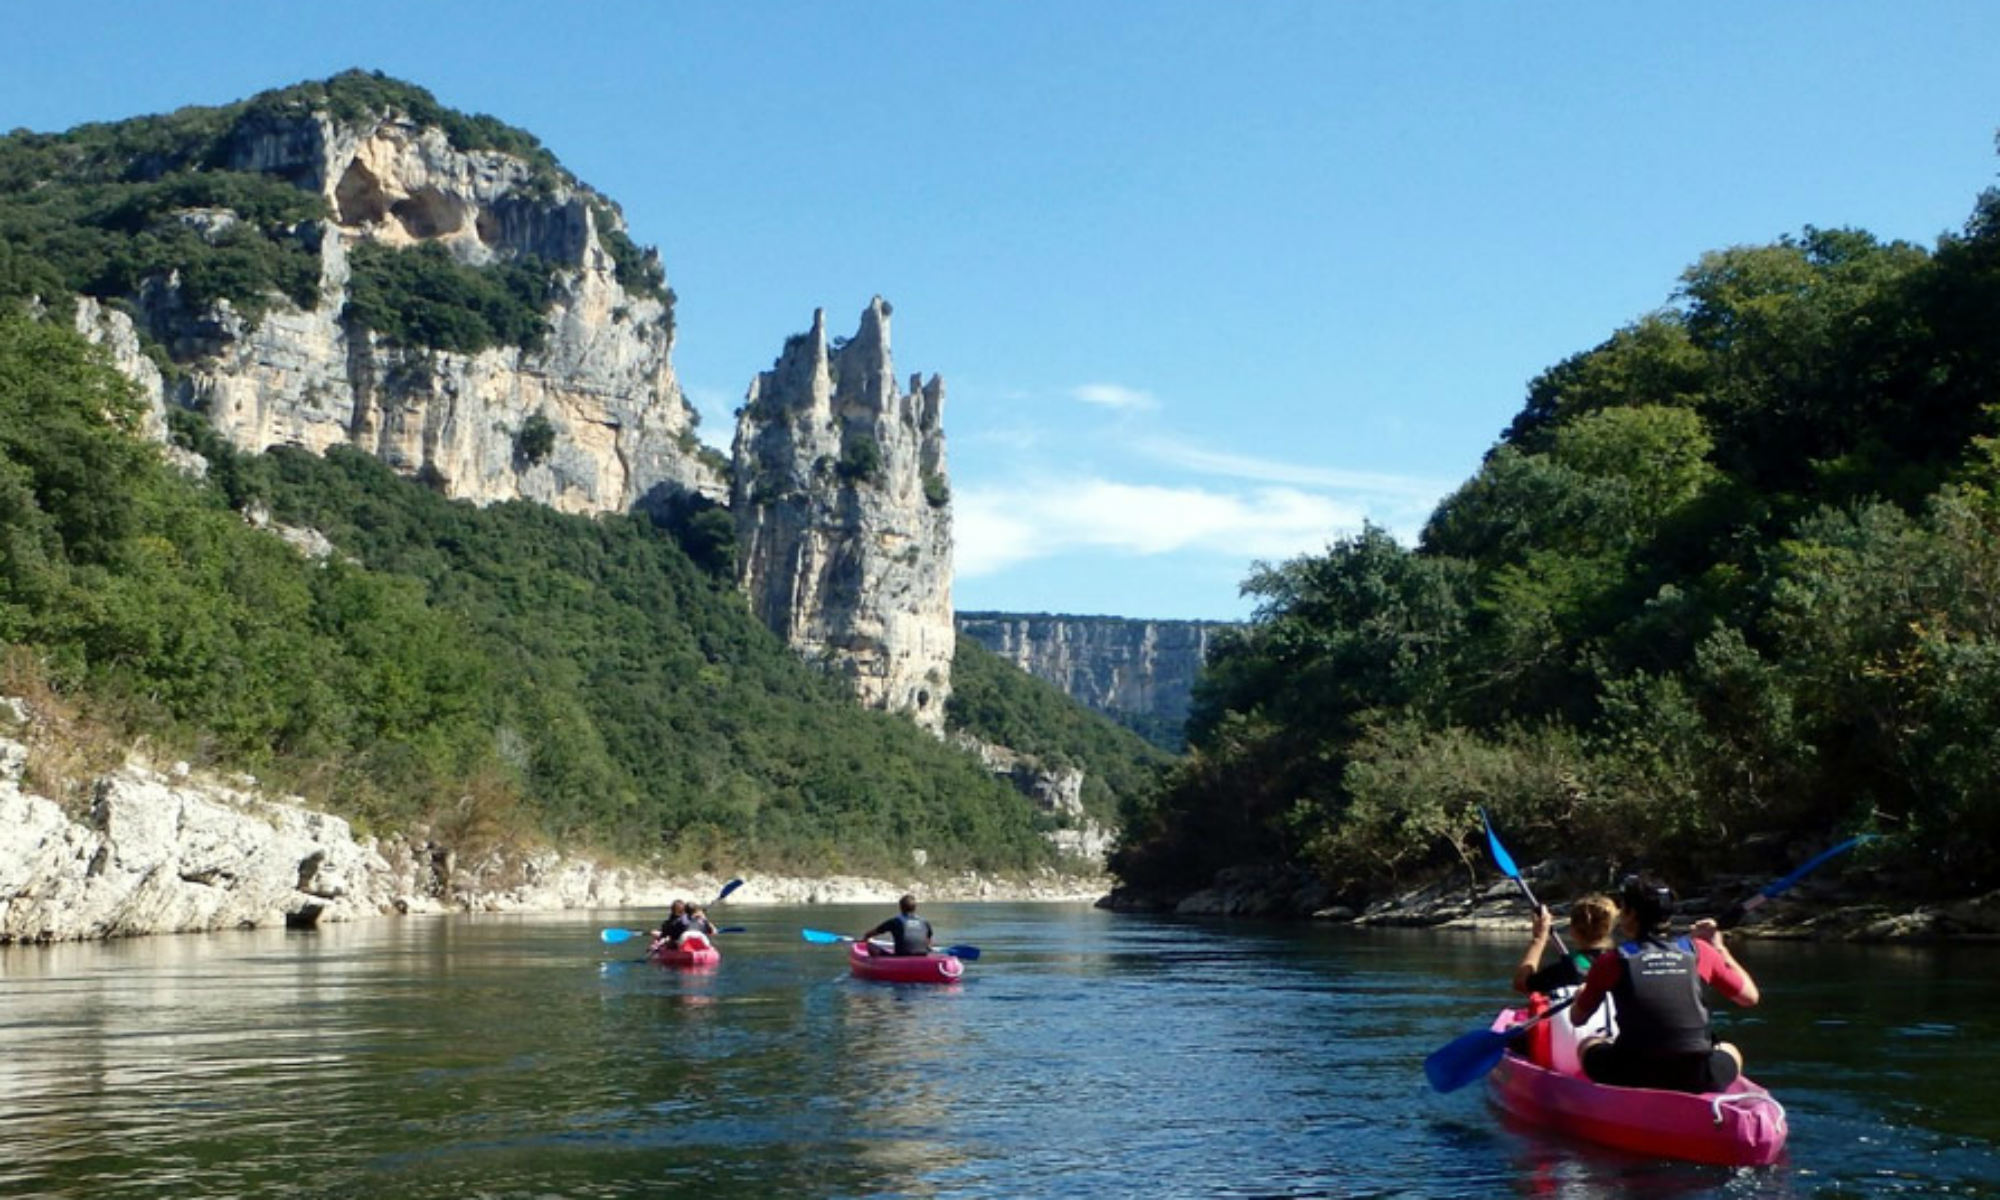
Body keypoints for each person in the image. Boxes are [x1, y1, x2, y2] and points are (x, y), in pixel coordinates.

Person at [1571, 875, 1761, 1094]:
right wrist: (1719, 948)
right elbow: (1750, 997)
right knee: (1730, 1049)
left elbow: (1578, 1018)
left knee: (1589, 1043)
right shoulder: (1701, 951)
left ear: (1631, 914)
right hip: (1696, 1074)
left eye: (1623, 909)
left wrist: (1580, 995)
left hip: (1631, 1074)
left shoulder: (1611, 960)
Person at [1513, 894, 1619, 997]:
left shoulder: (1569, 967)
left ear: (1573, 931)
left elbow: (1521, 984)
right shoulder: (1621, 961)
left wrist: (1539, 939)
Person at [859, 893, 933, 957]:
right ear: (915, 908)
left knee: (870, 946)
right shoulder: (924, 922)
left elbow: (873, 932)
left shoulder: (895, 921)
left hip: (901, 956)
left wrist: (865, 938)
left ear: (900, 907)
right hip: (923, 955)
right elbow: (928, 942)